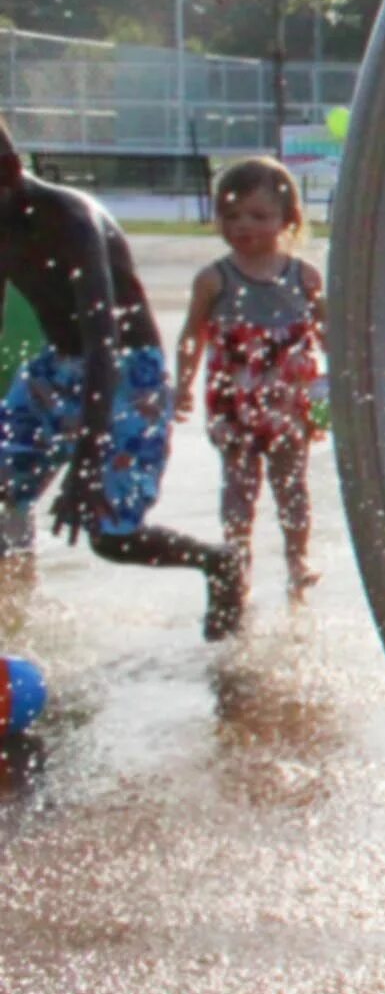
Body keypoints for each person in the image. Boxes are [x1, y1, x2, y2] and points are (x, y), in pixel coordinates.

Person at [0, 115, 245, 636]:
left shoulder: (71, 221)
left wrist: (84, 462)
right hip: (55, 368)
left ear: (11, 172)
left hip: (125, 374)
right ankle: (17, 612)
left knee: (110, 537)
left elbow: (102, 342)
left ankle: (219, 563)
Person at [173, 159, 327, 602]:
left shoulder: (304, 277)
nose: (243, 225)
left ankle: (297, 559)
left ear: (288, 220)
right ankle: (236, 557)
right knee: (238, 488)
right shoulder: (214, 279)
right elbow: (191, 337)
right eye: (231, 214)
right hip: (235, 406)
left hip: (289, 407)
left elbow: (329, 334)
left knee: (291, 485)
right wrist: (183, 385)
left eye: (258, 216)